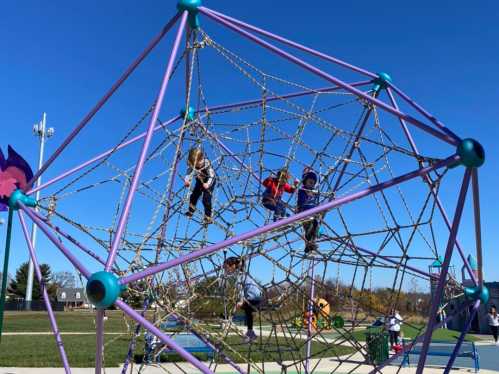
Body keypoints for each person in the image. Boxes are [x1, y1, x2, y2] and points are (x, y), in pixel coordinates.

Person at [223, 256, 263, 343]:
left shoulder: (240, 277)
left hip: (253, 298)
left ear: (233, 266)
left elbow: (240, 289)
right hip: (257, 297)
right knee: (248, 313)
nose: (225, 270)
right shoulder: (244, 274)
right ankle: (250, 332)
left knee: (237, 309)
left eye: (226, 268)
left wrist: (241, 302)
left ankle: (229, 320)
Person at [183, 148, 216, 224]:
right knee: (193, 196)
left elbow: (212, 175)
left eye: (200, 160)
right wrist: (187, 181)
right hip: (200, 181)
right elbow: (188, 173)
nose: (200, 163)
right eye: (197, 163)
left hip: (210, 181)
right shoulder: (193, 165)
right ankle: (191, 210)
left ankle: (208, 216)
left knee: (206, 199)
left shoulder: (206, 162)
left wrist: (207, 184)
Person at [297, 168, 320, 253]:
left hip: (312, 214)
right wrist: (309, 194)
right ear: (305, 182)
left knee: (315, 226)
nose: (312, 184)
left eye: (313, 183)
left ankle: (310, 244)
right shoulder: (302, 190)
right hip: (304, 214)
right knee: (308, 229)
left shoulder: (313, 192)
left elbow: (315, 203)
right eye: (310, 182)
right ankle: (308, 244)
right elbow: (301, 201)